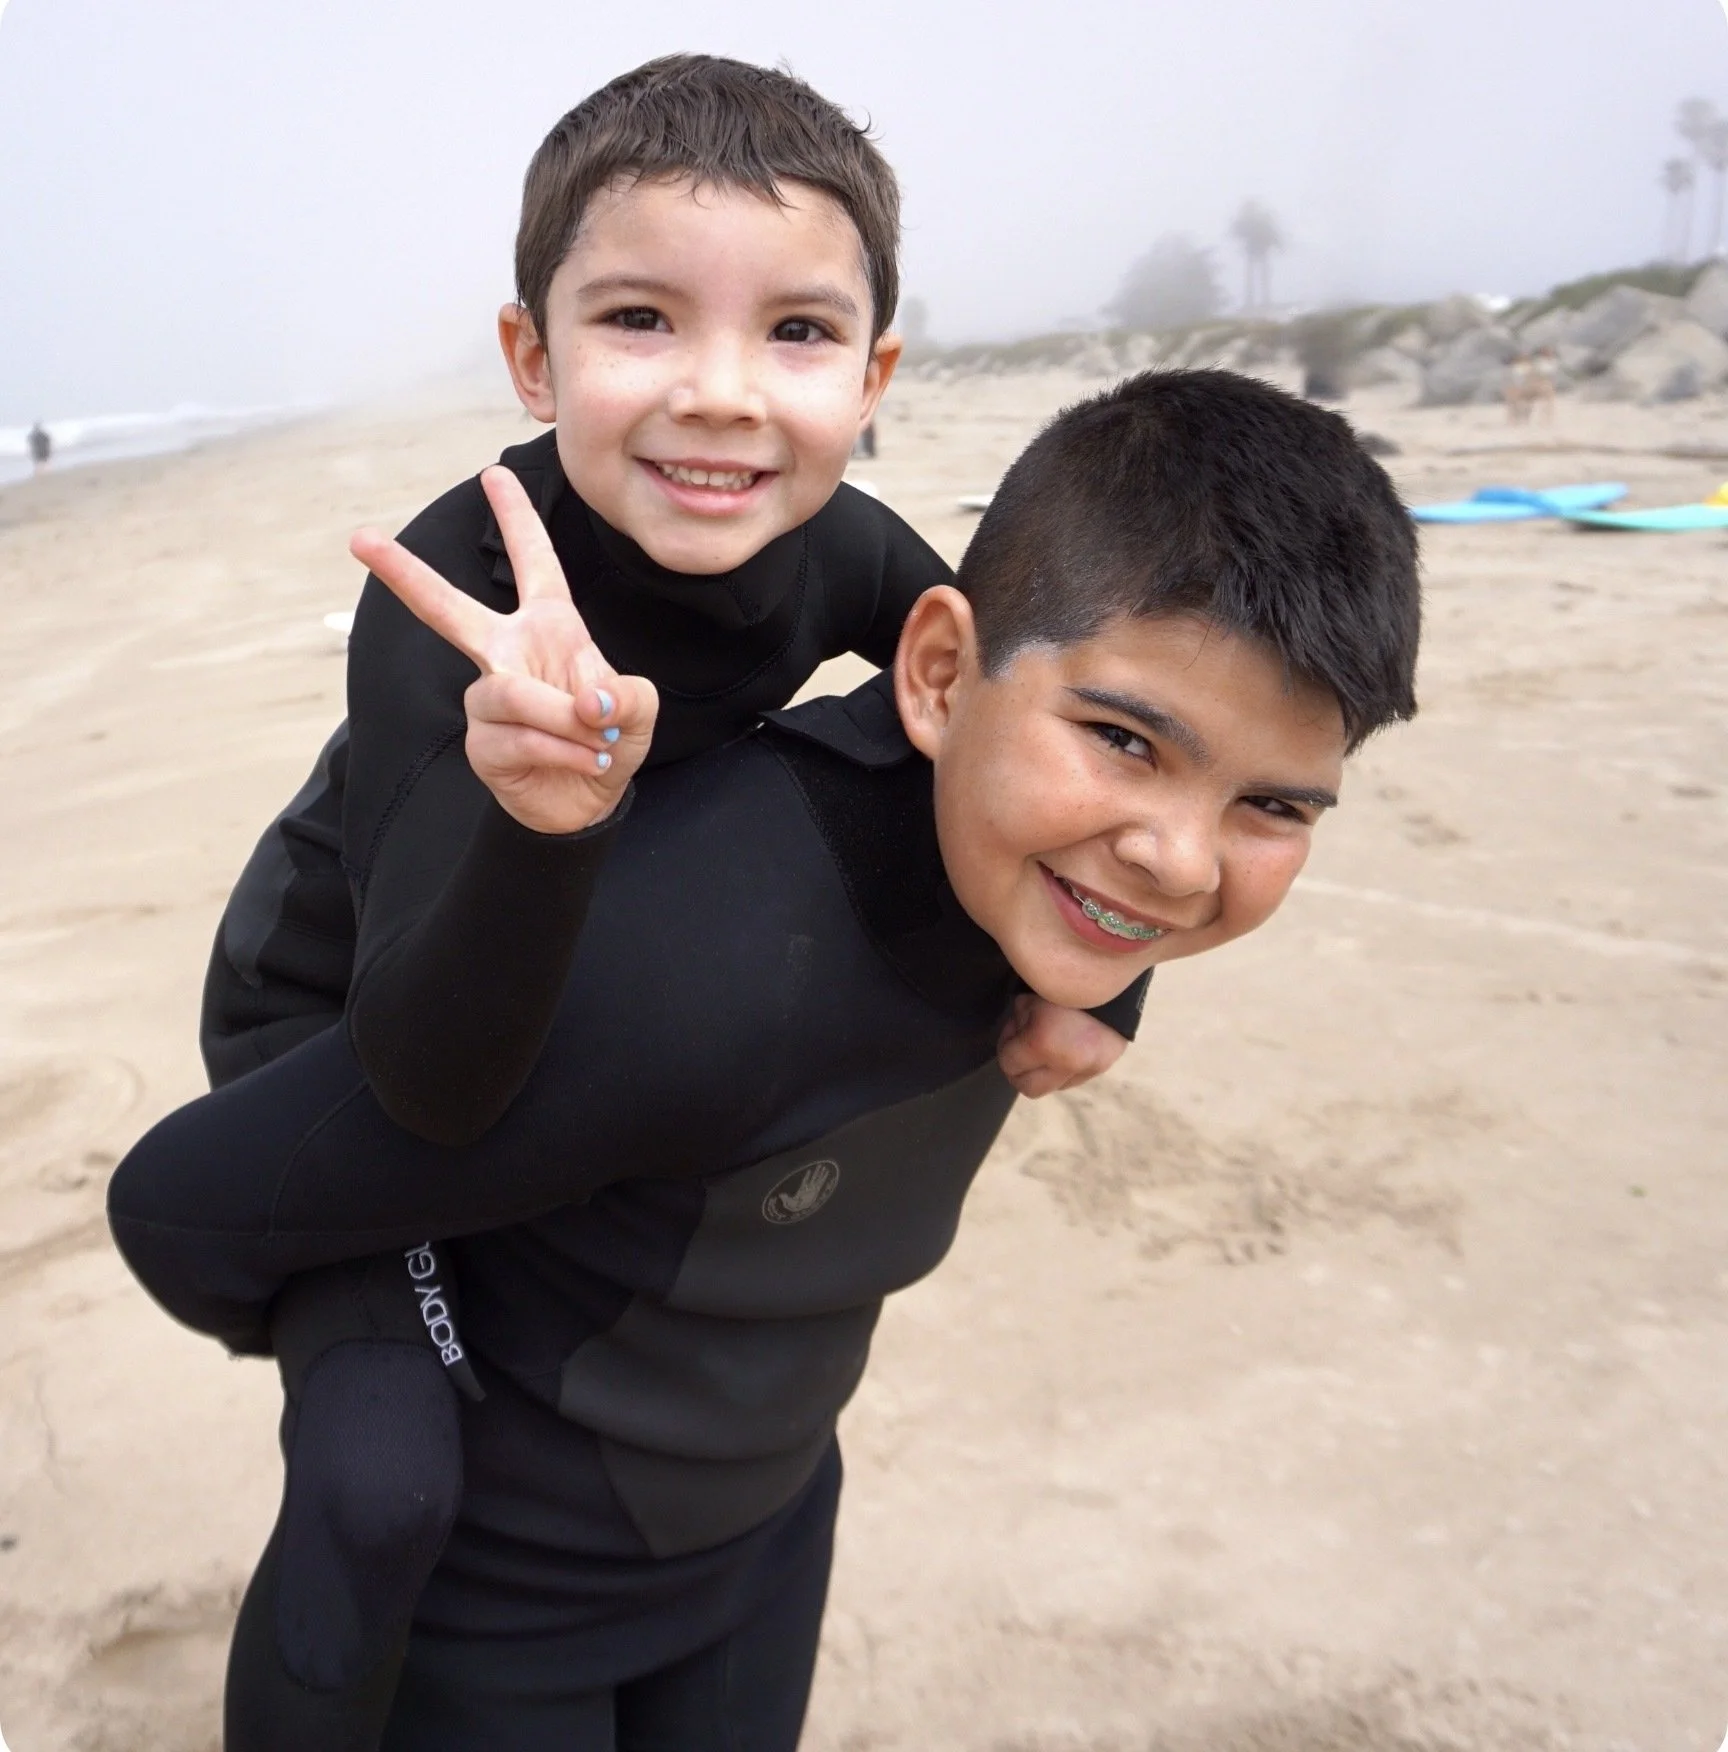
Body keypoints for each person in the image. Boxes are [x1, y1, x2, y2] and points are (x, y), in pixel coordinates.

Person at [110, 367, 1421, 1750]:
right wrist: (377, 1359)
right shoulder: (690, 969)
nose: (1178, 860)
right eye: (1123, 743)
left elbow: (1104, 801)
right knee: (371, 1490)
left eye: (1272, 806)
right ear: (932, 678)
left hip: (765, 1543)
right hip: (499, 1607)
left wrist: (1114, 995)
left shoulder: (1047, 896)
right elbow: (183, 1205)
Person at [184, 52, 1136, 1752]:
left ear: (873, 375)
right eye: (640, 319)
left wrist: (1109, 987)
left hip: (532, 965)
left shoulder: (845, 550)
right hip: (331, 1015)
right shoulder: (453, 606)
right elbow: (430, 1082)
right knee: (383, 1473)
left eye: (795, 333)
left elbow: (1035, 749)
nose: (722, 396)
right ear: (533, 361)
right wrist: (547, 818)